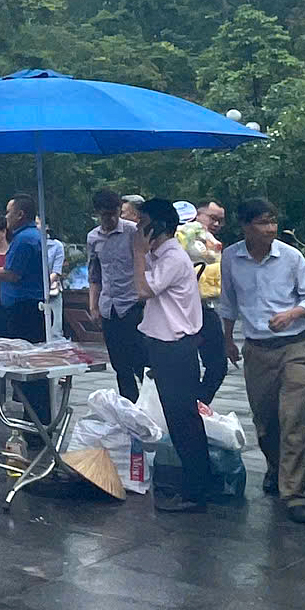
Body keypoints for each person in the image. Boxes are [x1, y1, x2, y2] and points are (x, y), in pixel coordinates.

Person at [220, 197, 305, 525]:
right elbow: (228, 302)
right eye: (263, 223)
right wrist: (227, 340)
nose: (270, 229)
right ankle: (276, 468)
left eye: (273, 221)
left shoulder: (291, 257)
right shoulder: (231, 258)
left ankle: (294, 494)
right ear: (245, 226)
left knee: (294, 418)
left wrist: (292, 314)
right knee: (265, 421)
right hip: (257, 350)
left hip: (295, 346)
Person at [132, 197, 209, 513]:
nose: (137, 230)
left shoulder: (173, 257)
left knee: (183, 420)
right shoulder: (161, 256)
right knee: (178, 419)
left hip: (176, 348)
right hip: (164, 346)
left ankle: (196, 491)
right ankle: (193, 484)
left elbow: (143, 290)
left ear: (157, 227)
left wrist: (138, 254)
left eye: (142, 224)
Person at [0, 194, 54, 436]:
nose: (6, 217)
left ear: (20, 214)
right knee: (31, 367)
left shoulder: (24, 240)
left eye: (8, 212)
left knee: (27, 367)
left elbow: (12, 274)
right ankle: (35, 422)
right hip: (27, 307)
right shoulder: (32, 236)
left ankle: (35, 425)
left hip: (24, 310)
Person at [85, 188, 144, 401]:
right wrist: (93, 306)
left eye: (113, 213)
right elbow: (94, 274)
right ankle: (129, 405)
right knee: (120, 364)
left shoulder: (132, 232)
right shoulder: (93, 237)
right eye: (104, 215)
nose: (109, 219)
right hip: (109, 306)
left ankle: (150, 403)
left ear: (119, 210)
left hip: (132, 304)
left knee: (140, 360)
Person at [193, 200, 229, 403]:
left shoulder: (214, 246)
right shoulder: (178, 239)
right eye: (212, 218)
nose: (216, 224)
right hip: (179, 312)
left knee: (218, 365)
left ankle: (200, 403)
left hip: (206, 308)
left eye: (220, 221)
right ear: (196, 215)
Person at [46, 226, 66, 337]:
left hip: (52, 291)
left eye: (37, 223)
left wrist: (42, 284)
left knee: (55, 331)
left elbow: (56, 271)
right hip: (32, 292)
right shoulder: (29, 243)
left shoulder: (57, 245)